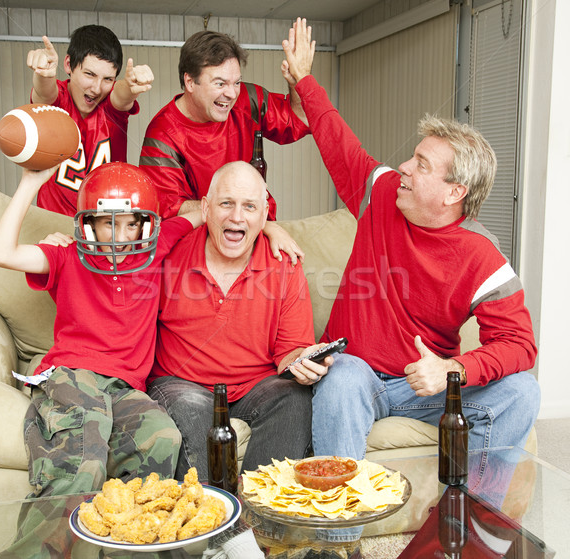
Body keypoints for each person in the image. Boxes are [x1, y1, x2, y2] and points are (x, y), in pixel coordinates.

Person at [282, 19, 540, 468]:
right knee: (341, 378)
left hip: (425, 385)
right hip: (356, 373)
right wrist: (305, 79)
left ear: (453, 192)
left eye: (421, 164)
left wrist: (450, 371)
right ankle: (337, 534)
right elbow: (337, 140)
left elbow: (520, 346)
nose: (404, 165)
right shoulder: (381, 193)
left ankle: (469, 525)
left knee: (523, 391)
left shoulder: (482, 255)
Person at [0, 162, 202, 497]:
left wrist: (272, 228)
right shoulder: (66, 256)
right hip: (74, 373)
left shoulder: (155, 249)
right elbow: (0, 253)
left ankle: (126, 543)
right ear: (87, 224)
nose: (122, 235)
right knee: (84, 454)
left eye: (132, 224)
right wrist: (31, 182)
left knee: (162, 438)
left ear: (146, 225)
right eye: (108, 224)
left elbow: (204, 213)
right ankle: (44, 547)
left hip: (125, 387)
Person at [147, 161, 332, 479]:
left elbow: (288, 352)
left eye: (249, 207)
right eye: (226, 204)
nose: (236, 217)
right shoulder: (170, 253)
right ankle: (215, 518)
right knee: (192, 407)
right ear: (206, 209)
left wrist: (302, 362)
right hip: (182, 383)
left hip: (254, 385)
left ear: (264, 216)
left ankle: (258, 517)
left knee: (294, 397)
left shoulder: (284, 264)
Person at [138, 29, 310, 263]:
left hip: (253, 232)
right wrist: (255, 220)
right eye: (220, 83)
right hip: (199, 246)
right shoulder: (162, 135)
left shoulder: (248, 98)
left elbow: (299, 120)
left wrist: (299, 81)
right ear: (190, 81)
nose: (231, 93)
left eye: (236, 82)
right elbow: (172, 210)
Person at [26, 25, 154, 216]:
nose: (96, 88)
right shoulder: (58, 100)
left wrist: (130, 86)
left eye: (108, 79)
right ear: (68, 64)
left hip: (105, 228)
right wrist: (43, 74)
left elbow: (122, 95)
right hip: (55, 226)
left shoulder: (111, 106)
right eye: (89, 74)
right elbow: (44, 94)